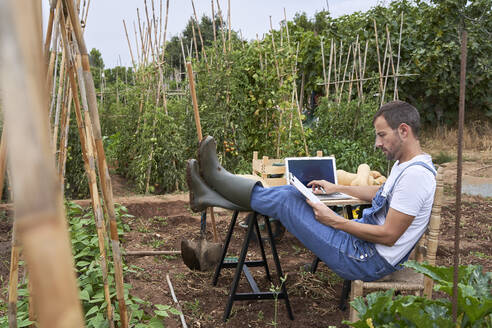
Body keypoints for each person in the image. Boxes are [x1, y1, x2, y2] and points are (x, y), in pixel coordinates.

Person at [186, 100, 436, 281]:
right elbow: (381, 194)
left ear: (404, 130)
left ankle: (216, 184)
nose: (377, 143)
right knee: (292, 193)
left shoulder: (416, 176)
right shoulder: (405, 166)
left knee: (286, 202)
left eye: (381, 135)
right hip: (362, 248)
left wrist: (335, 221)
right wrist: (336, 187)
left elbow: (388, 235)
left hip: (366, 260)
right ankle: (211, 192)